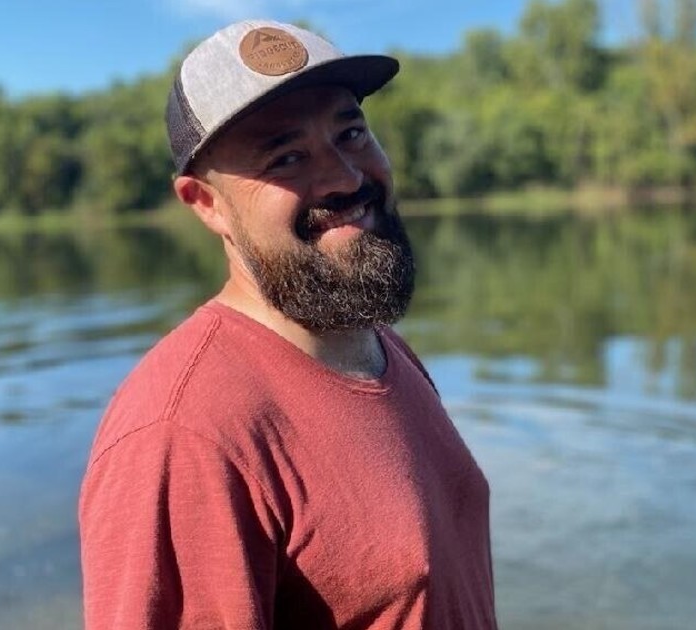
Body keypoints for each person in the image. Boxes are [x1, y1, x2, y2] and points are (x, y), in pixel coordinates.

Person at [78, 20, 497, 629]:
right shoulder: (184, 435)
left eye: (351, 133)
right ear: (206, 203)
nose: (345, 178)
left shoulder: (378, 344)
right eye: (287, 157)